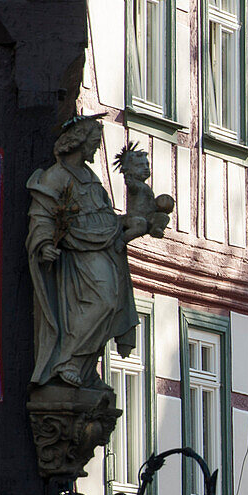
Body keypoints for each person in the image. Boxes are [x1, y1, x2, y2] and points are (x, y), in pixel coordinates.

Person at [26, 115, 145, 389]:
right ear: (78, 142)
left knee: (111, 304)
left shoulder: (90, 177)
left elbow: (103, 214)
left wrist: (130, 222)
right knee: (101, 302)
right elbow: (41, 214)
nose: (95, 148)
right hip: (79, 255)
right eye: (93, 142)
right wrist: (44, 244)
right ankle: (66, 361)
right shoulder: (57, 176)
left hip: (104, 248)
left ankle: (86, 368)